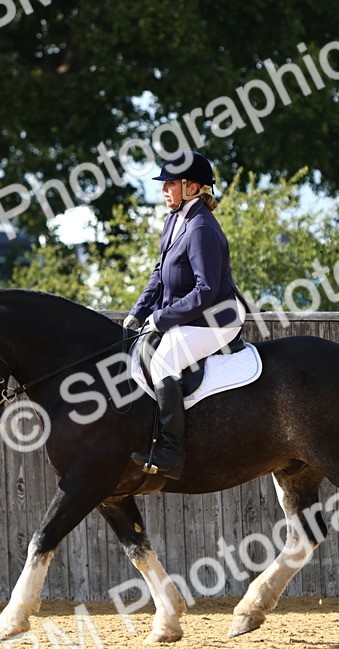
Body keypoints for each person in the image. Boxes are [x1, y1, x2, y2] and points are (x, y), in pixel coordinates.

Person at [124, 150, 245, 480]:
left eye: (170, 184)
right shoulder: (175, 220)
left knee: (164, 359)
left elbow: (206, 291)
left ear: (192, 188)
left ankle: (172, 451)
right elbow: (159, 272)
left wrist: (161, 319)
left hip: (216, 318)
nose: (164, 189)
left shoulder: (201, 228)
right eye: (164, 184)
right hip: (190, 314)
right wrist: (138, 312)